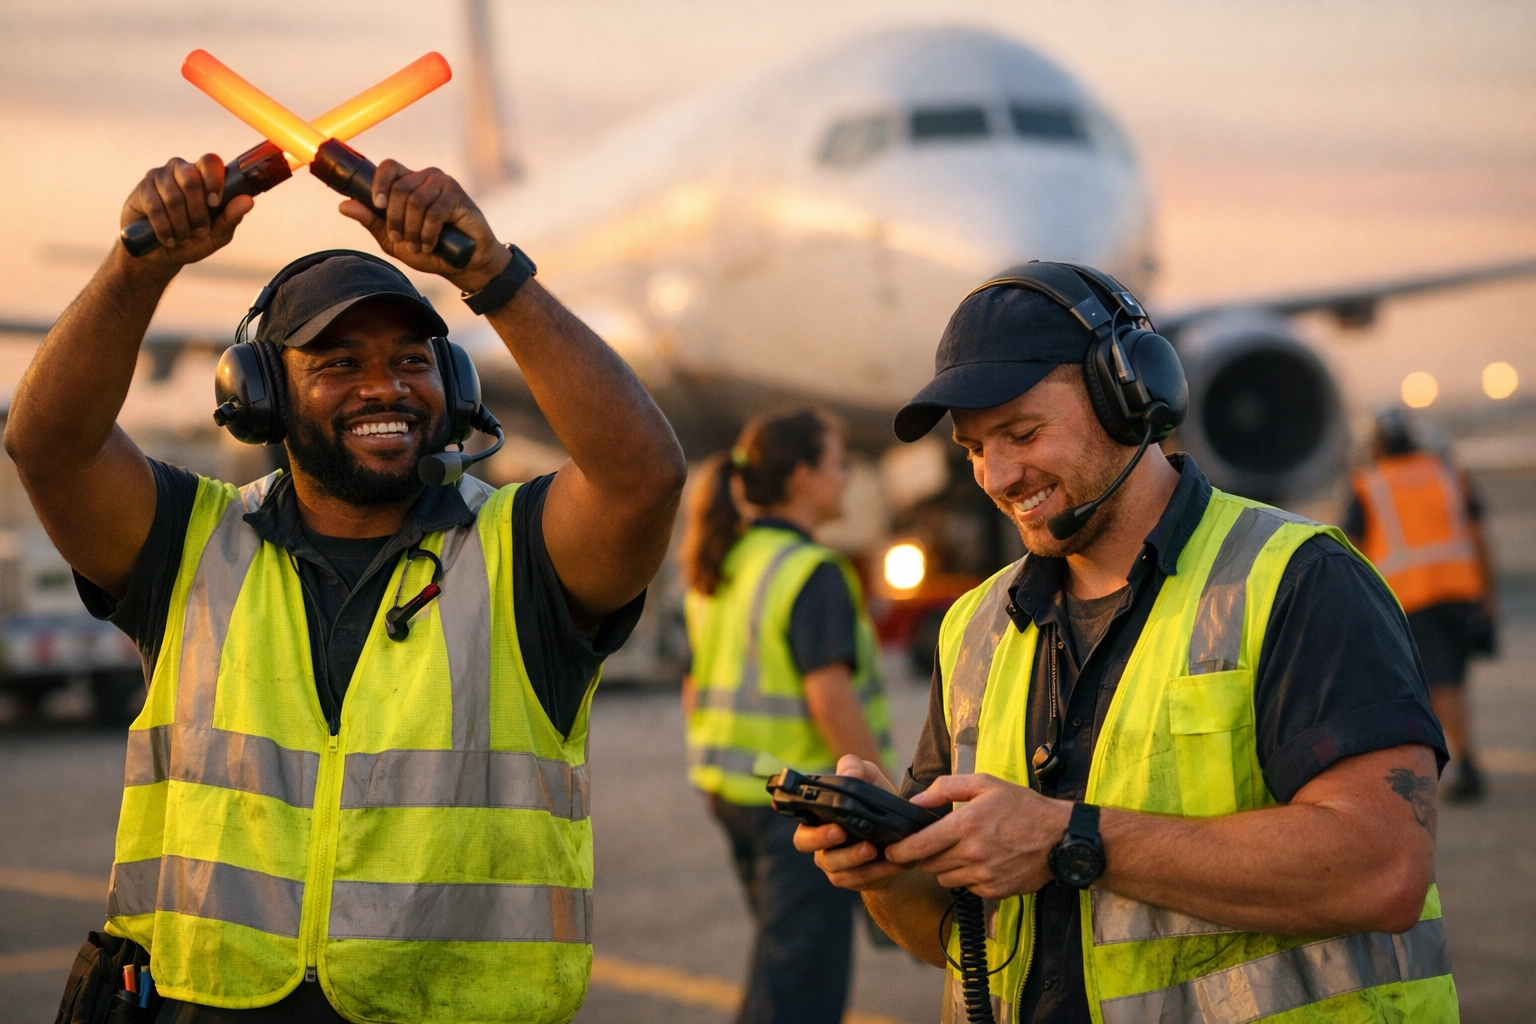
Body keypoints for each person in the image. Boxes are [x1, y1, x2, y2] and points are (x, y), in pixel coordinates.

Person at [7, 152, 685, 1022]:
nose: (386, 387)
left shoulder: (520, 555)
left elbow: (643, 479)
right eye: (336, 363)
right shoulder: (189, 541)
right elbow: (49, 445)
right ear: (261, 397)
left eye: (413, 359)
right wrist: (142, 264)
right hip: (212, 1003)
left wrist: (491, 274)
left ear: (455, 387)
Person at [795, 262, 1458, 1023]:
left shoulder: (1300, 581)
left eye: (1022, 432)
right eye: (974, 447)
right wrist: (887, 871)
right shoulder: (976, 627)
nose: (998, 475)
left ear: (1130, 398)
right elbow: (956, 936)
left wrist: (1068, 838)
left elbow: (1383, 871)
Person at [680, 409, 895, 1024]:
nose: (847, 478)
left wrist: (707, 775)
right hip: (802, 807)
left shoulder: (726, 558)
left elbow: (694, 684)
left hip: (732, 793)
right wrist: (886, 803)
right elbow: (830, 697)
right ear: (802, 477)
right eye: (838, 463)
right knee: (801, 990)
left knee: (781, 967)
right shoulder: (811, 571)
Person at [1346, 408, 1496, 803]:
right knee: (1451, 682)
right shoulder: (1446, 472)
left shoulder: (1369, 483)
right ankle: (1453, 759)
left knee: (1439, 683)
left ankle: (1466, 765)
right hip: (1461, 590)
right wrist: (1489, 594)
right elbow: (1479, 535)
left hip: (1413, 596)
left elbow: (1354, 547)